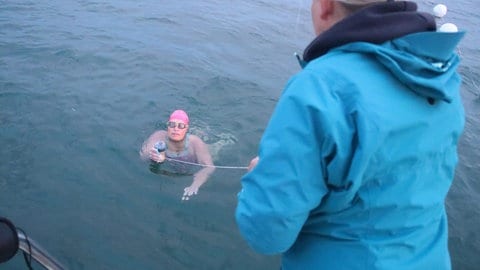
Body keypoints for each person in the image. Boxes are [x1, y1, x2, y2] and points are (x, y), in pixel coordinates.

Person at [235, 0, 465, 269]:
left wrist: (261, 178)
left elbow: (266, 233)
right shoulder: (441, 71)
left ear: (325, 6)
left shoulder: (320, 87)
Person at [140, 109, 215, 200]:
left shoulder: (194, 142)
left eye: (181, 126)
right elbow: (144, 156)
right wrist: (154, 154)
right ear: (168, 126)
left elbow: (209, 167)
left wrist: (195, 185)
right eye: (172, 125)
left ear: (187, 128)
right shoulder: (160, 135)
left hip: (195, 155)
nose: (176, 129)